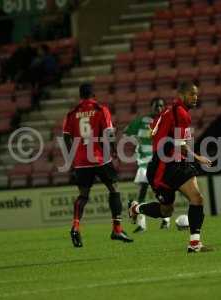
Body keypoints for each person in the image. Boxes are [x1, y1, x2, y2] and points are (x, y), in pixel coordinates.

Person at [129, 82, 213, 253]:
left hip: (173, 163)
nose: (195, 98)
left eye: (196, 94)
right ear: (181, 95)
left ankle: (194, 244)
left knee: (197, 198)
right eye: (191, 94)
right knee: (166, 211)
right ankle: (136, 208)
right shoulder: (180, 113)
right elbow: (179, 143)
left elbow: (154, 130)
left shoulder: (168, 111)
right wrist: (198, 158)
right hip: (163, 168)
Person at [63, 82, 133, 248]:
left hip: (81, 161)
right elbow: (109, 134)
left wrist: (73, 157)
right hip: (100, 158)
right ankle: (117, 229)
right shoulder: (101, 110)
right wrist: (114, 151)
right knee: (114, 188)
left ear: (80, 96)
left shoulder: (72, 114)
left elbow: (66, 138)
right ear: (93, 95)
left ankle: (75, 226)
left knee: (83, 196)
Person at [124, 97, 170, 233]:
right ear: (151, 107)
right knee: (143, 192)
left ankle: (166, 221)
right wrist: (137, 138)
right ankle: (142, 224)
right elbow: (127, 131)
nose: (159, 109)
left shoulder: (166, 121)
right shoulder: (142, 121)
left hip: (160, 162)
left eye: (161, 106)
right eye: (156, 106)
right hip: (145, 163)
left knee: (162, 192)